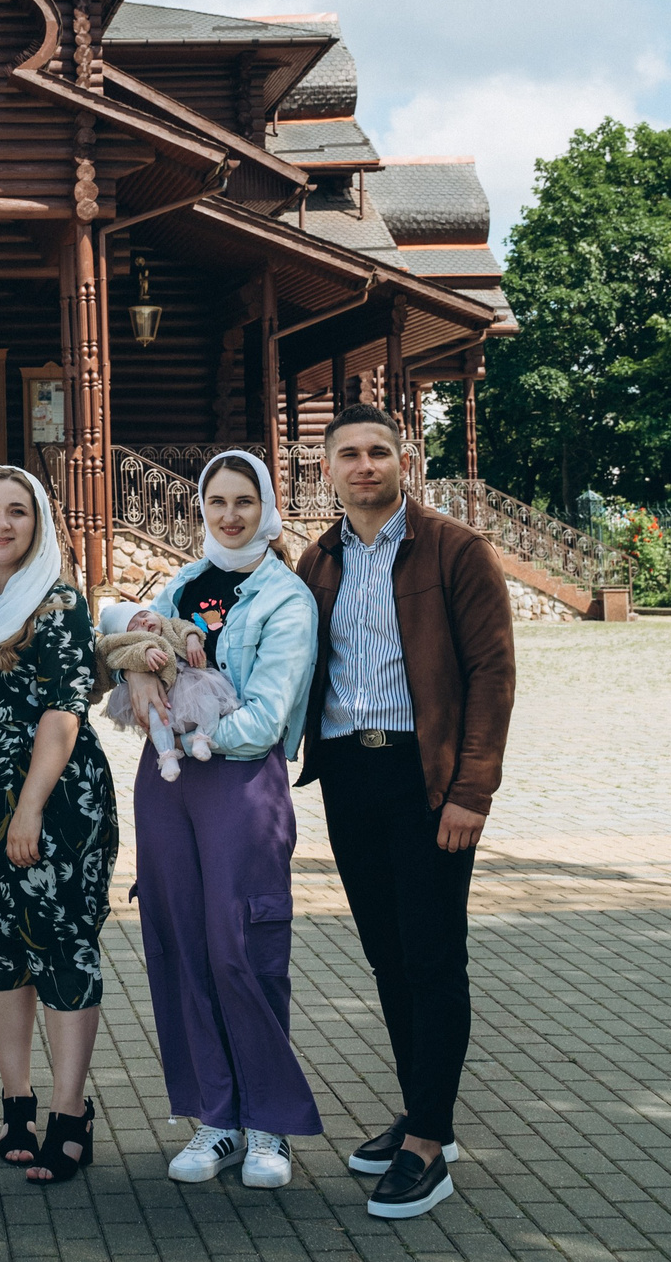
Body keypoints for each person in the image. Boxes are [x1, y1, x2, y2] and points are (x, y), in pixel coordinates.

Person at [294, 402, 515, 1222]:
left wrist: (471, 789)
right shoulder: (318, 560)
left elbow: (492, 672)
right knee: (388, 956)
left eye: (378, 451)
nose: (364, 465)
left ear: (404, 459)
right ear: (327, 469)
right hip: (351, 775)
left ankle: (430, 1145)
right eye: (347, 454)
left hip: (427, 780)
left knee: (432, 955)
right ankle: (427, 1111)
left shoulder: (456, 549)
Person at [101, 450, 323, 1190]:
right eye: (218, 502)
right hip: (167, 783)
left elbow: (267, 713)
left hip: (236, 778)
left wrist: (200, 737)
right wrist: (137, 671)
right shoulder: (186, 582)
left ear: (266, 507)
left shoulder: (285, 597)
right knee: (182, 940)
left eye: (244, 501)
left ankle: (270, 1123)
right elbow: (140, 647)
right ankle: (217, 1116)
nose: (230, 515)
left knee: (241, 944)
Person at [0, 466, 117, 1185]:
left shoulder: (58, 599)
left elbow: (66, 711)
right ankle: (16, 1104)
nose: (2, 525)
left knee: (64, 946)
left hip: (54, 799)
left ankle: (70, 1113)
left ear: (40, 524)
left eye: (18, 512)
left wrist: (30, 806)